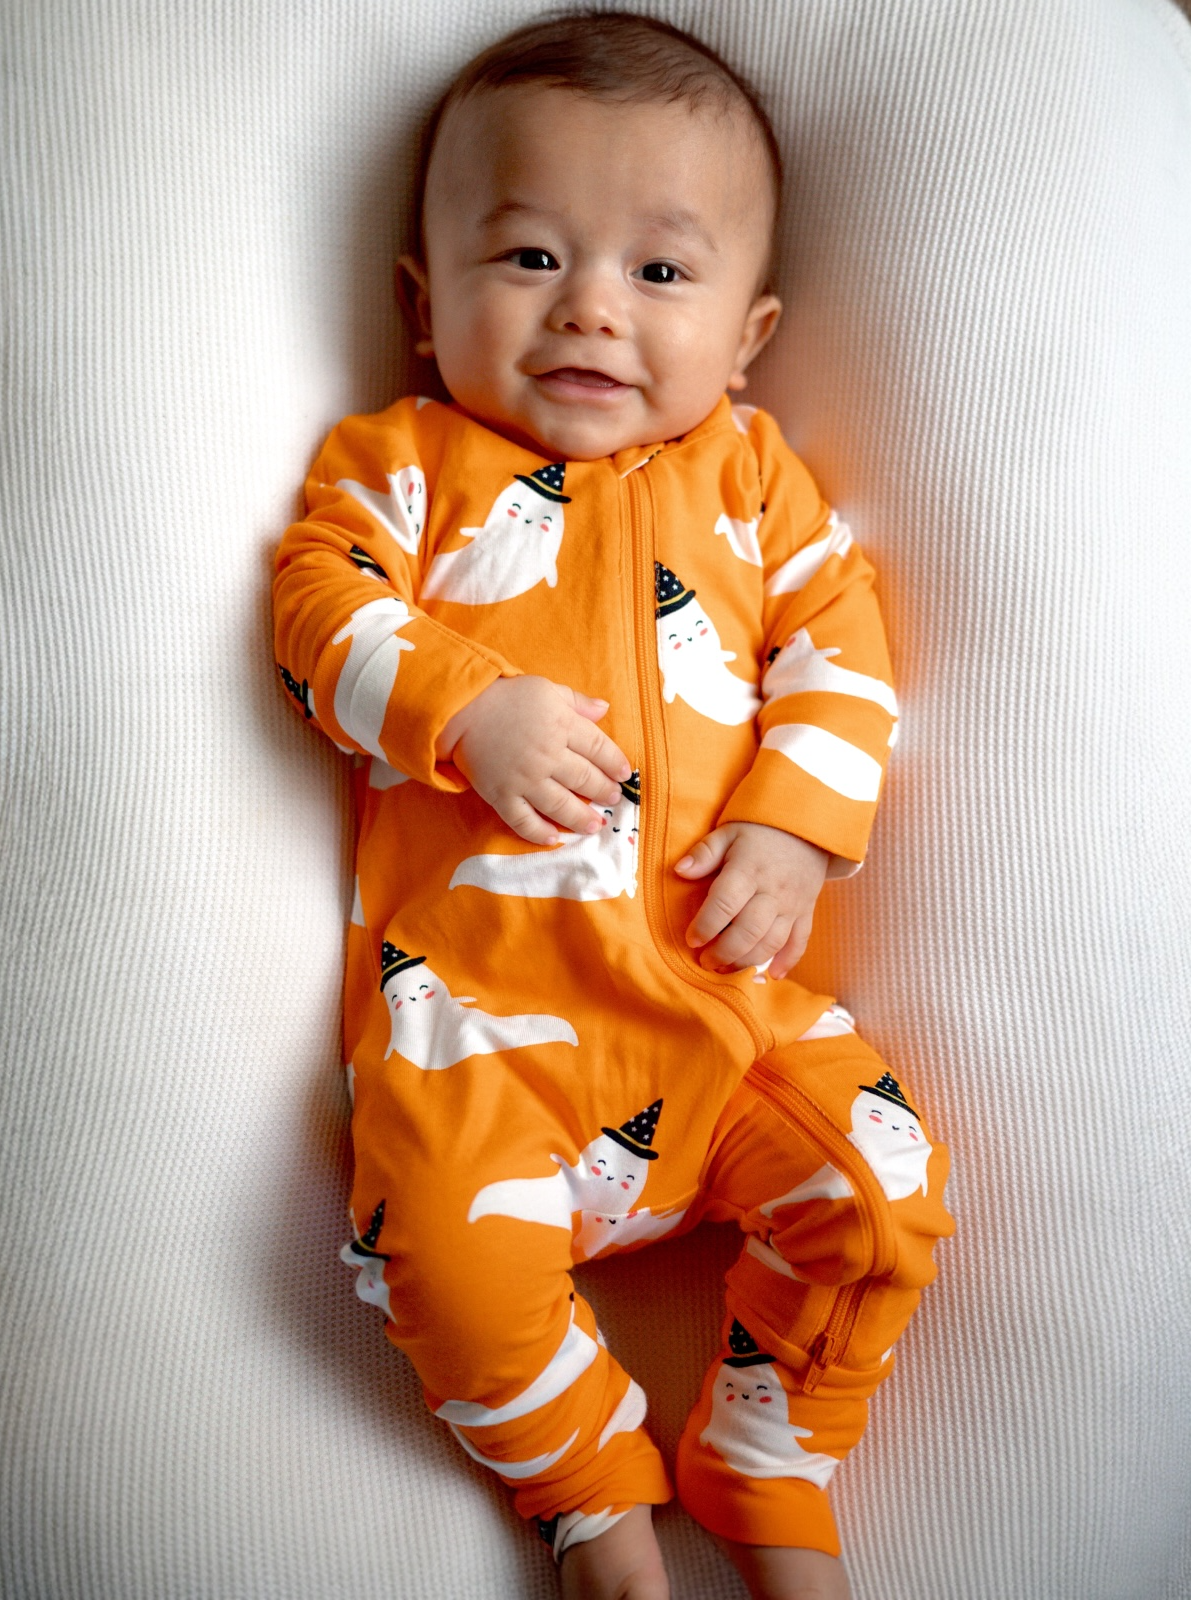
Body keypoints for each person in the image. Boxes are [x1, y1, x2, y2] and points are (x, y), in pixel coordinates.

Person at [272, 14, 953, 1599]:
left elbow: (841, 642)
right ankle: (591, 1505)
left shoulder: (750, 480)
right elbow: (317, 608)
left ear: (747, 331)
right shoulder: (408, 465)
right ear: (420, 305)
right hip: (478, 1048)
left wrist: (790, 825)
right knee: (434, 1249)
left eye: (659, 274)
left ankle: (769, 1452)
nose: (588, 306)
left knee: (884, 1187)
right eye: (525, 256)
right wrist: (462, 704)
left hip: (724, 1024)